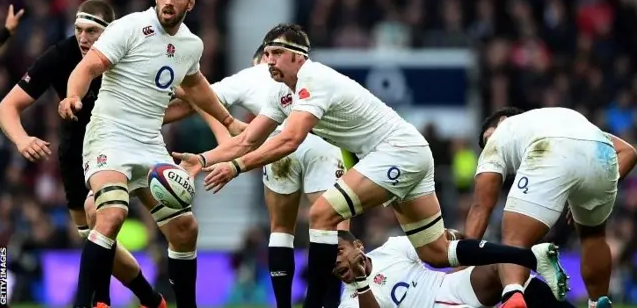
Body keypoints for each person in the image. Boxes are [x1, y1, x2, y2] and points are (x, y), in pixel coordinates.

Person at [174, 23, 568, 308]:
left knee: (323, 212)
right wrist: (205, 159)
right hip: (408, 152)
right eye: (268, 55)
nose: (269, 62)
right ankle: (532, 257)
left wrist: (238, 167)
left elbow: (290, 141)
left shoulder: (313, 78)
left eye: (276, 54)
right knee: (434, 252)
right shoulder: (283, 93)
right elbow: (248, 138)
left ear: (297, 56)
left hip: (395, 152)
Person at [56, 0, 243, 308]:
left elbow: (195, 86)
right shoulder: (128, 27)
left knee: (186, 228)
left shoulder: (191, 44)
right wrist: (72, 95)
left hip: (150, 143)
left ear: (191, 3)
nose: (169, 1)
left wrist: (229, 121)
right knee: (111, 215)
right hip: (108, 136)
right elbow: (87, 68)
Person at [0, 0, 170, 308]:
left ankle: (96, 302)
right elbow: (7, 106)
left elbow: (179, 94)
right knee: (95, 237)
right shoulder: (60, 55)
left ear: (111, 32)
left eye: (92, 31)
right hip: (74, 151)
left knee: (100, 214)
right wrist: (22, 140)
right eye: (78, 30)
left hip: (118, 148)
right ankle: (151, 299)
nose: (83, 38)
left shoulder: (132, 52)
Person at [170, 44, 349, 308]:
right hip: (321, 144)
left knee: (280, 231)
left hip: (277, 146)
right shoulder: (315, 72)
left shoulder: (249, 76)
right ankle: (332, 303)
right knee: (336, 230)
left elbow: (198, 98)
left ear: (264, 56)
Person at [466, 107, 637, 308]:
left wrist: (463, 260)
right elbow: (628, 152)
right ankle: (598, 302)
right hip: (600, 153)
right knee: (593, 237)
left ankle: (513, 297)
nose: (488, 145)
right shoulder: (558, 119)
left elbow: (481, 207)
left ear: (502, 120)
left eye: (487, 138)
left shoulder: (504, 131)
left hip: (549, 149)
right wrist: (598, 189)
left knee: (514, 239)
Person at [335, 230, 578, 308]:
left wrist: (450, 238)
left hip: (448, 285)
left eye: (339, 251)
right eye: (330, 262)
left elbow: (438, 244)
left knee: (503, 264)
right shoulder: (348, 300)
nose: (336, 262)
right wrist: (361, 282)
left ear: (358, 245)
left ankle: (512, 296)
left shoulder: (392, 247)